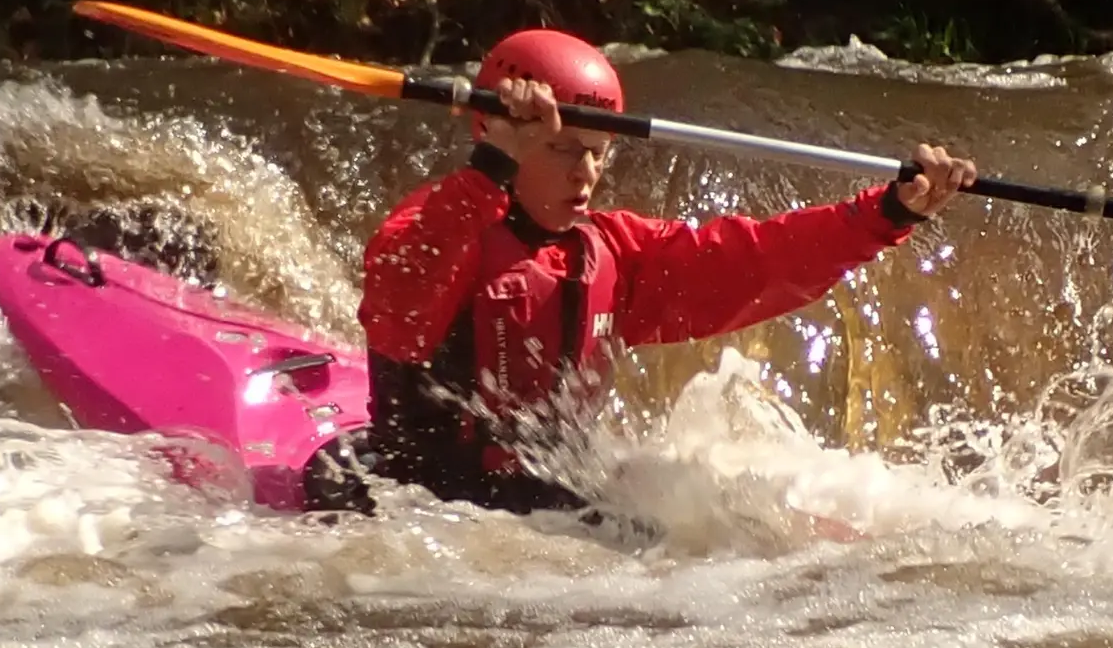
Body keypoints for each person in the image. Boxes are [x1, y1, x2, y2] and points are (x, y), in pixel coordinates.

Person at [351, 28, 977, 518]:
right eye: (563, 148)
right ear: (493, 132)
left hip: (535, 501)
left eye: (598, 152)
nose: (585, 172)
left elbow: (758, 261)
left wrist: (889, 212)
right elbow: (398, 312)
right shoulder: (446, 224)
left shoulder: (614, 253)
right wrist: (491, 165)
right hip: (413, 500)